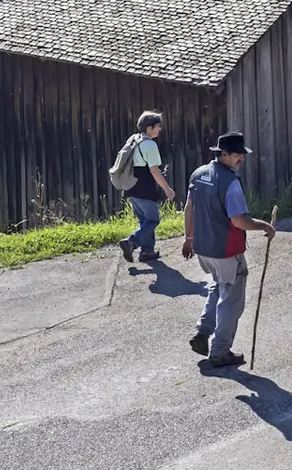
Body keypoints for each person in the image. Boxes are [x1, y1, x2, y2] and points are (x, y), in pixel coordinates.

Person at [182, 131, 276, 368]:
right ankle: (220, 351)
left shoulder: (198, 175)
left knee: (218, 286)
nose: (242, 159)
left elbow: (189, 209)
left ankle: (202, 333)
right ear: (223, 154)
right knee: (232, 299)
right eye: (238, 155)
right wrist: (262, 225)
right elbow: (238, 221)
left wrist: (189, 238)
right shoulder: (230, 182)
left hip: (204, 249)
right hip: (225, 250)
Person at [118, 111, 174, 265]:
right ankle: (131, 242)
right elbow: (154, 170)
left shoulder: (134, 139)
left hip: (130, 187)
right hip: (145, 188)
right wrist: (167, 189)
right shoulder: (149, 144)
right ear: (150, 128)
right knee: (153, 220)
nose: (160, 129)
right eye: (158, 126)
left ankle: (147, 251)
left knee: (145, 221)